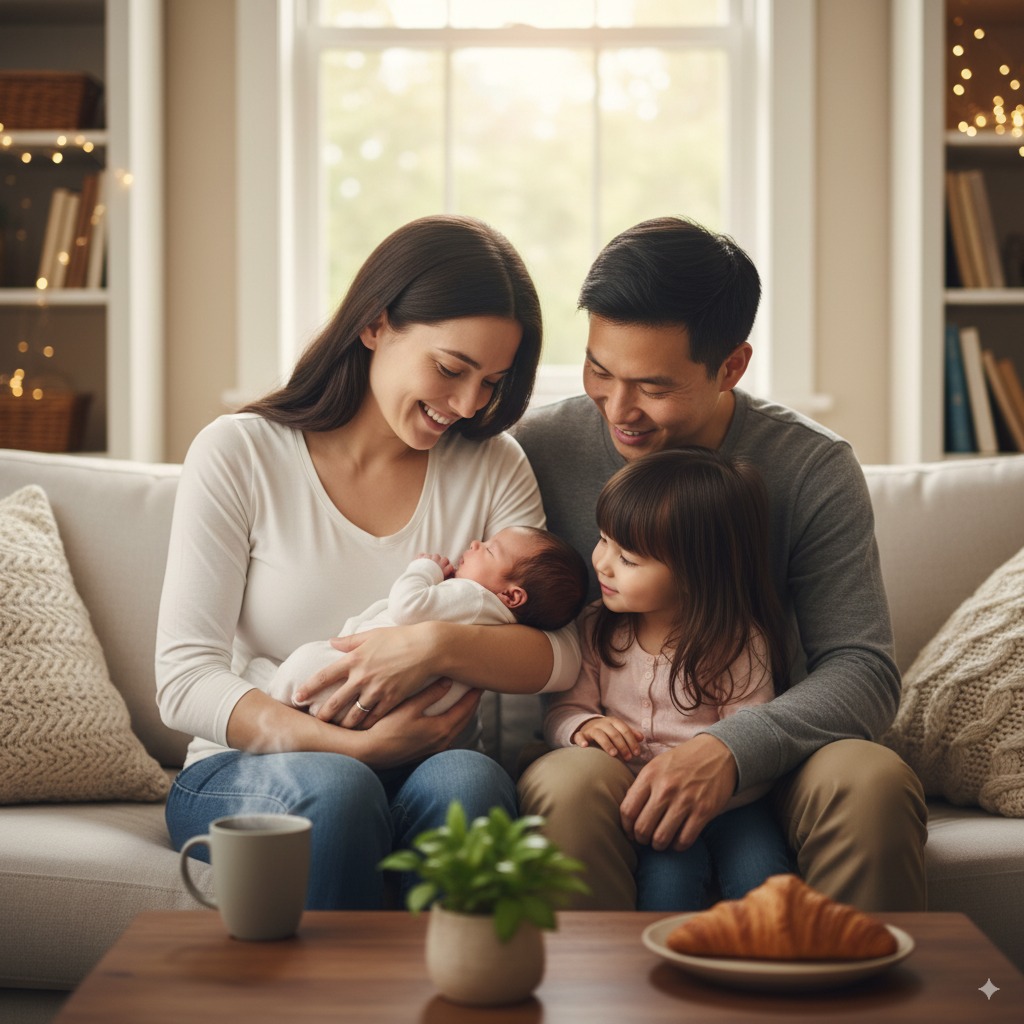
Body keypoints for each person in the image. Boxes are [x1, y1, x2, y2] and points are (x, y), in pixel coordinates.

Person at [155, 214, 582, 911]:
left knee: (471, 785)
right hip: (251, 765)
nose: (469, 404)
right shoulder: (240, 453)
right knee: (340, 786)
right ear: (375, 324)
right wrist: (350, 748)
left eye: (493, 383)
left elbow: (560, 652)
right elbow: (182, 681)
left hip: (427, 763)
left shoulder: (492, 466)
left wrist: (430, 643)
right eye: (450, 369)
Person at [514, 215, 928, 912]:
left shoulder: (811, 467)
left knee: (872, 782)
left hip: (773, 758)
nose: (618, 409)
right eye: (599, 370)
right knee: (572, 785)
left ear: (731, 365)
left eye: (652, 385)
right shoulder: (539, 449)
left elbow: (862, 669)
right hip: (596, 747)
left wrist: (732, 750)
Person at [546, 448, 793, 910]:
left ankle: (769, 974)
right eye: (603, 541)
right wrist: (582, 726)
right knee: (668, 889)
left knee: (763, 884)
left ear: (696, 573)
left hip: (731, 807)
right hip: (643, 809)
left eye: (629, 560)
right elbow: (563, 711)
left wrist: (709, 798)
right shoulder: (598, 626)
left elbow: (754, 744)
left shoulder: (736, 641)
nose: (601, 563)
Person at [250, 526, 589, 720]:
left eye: (489, 550)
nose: (475, 543)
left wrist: (423, 569)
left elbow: (407, 607)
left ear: (512, 597)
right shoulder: (498, 625)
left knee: (305, 662)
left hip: (348, 679)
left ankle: (272, 692)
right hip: (397, 708)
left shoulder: (470, 597)